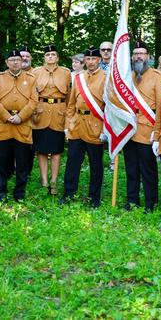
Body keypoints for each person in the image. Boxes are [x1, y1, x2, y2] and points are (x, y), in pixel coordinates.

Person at [0, 49, 38, 202]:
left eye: (18, 59)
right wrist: (7, 116)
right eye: (12, 60)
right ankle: (1, 192)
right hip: (3, 124)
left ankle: (19, 193)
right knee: (1, 161)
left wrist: (21, 116)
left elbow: (34, 101)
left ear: (22, 62)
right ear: (7, 63)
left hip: (22, 124)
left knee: (23, 162)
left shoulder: (30, 78)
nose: (16, 62)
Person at [60, 47, 106, 208]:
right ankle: (68, 193)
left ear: (99, 60)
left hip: (95, 126)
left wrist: (105, 130)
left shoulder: (106, 78)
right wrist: (68, 125)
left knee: (96, 164)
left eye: (94, 59)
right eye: (88, 59)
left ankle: (94, 197)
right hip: (77, 125)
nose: (91, 62)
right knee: (73, 162)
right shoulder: (79, 78)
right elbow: (71, 104)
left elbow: (109, 107)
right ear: (84, 61)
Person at [122, 42, 161, 212]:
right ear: (132, 56)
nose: (139, 56)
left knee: (148, 169)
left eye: (142, 53)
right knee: (131, 168)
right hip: (129, 128)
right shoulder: (126, 76)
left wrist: (157, 132)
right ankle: (132, 201)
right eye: (136, 53)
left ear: (148, 56)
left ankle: (150, 203)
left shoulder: (157, 76)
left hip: (148, 128)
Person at [32, 44, 70, 195]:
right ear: (44, 57)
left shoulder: (66, 73)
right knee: (41, 150)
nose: (50, 57)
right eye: (48, 55)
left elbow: (69, 96)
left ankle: (53, 181)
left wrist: (67, 115)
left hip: (58, 113)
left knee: (56, 151)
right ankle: (44, 180)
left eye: (53, 54)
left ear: (57, 57)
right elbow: (32, 94)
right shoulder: (36, 72)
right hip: (40, 113)